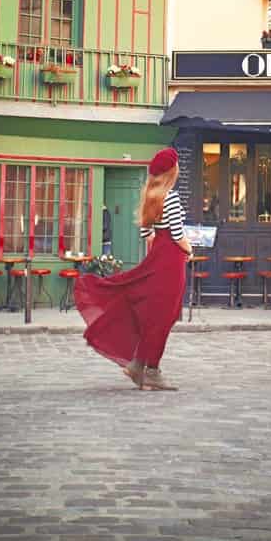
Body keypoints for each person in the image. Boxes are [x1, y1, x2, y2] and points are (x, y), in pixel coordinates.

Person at [74, 147, 191, 391]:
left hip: (157, 258)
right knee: (163, 316)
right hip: (171, 262)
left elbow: (147, 235)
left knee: (152, 313)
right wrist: (189, 251)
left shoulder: (150, 196)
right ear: (172, 170)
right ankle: (152, 371)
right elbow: (178, 235)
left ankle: (139, 364)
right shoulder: (171, 197)